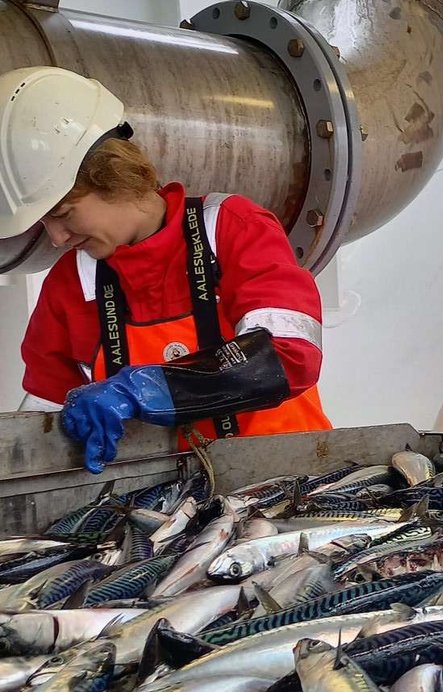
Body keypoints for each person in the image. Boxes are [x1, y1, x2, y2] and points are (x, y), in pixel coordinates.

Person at [1, 66, 332, 473]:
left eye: (64, 214)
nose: (55, 238)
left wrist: (141, 390)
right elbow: (43, 422)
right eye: (44, 223)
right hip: (163, 511)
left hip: (292, 487)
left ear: (113, 177)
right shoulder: (70, 286)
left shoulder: (232, 228)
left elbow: (288, 356)